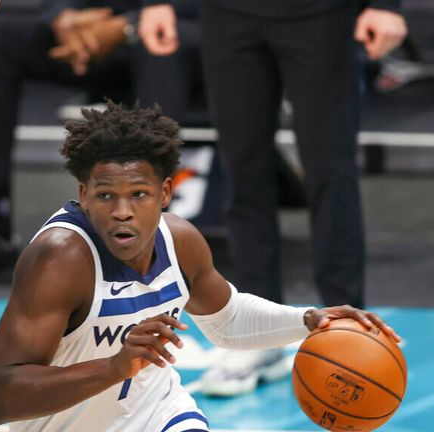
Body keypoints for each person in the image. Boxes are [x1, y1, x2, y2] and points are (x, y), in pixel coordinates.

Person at [0, 102, 401, 431]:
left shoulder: (180, 241)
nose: (122, 211)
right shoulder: (60, 259)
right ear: (84, 195)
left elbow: (227, 321)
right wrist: (114, 367)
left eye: (139, 195)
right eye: (106, 196)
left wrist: (309, 320)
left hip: (158, 415)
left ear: (165, 193)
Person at [138, 0, 407, 395]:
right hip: (229, 14)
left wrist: (386, 5)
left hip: (322, 14)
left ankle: (347, 330)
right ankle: (258, 341)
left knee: (331, 171)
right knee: (242, 170)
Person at [0, 0, 201, 278]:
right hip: (90, 32)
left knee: (158, 47)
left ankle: (152, 235)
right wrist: (63, 18)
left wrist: (129, 25)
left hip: (174, 31)